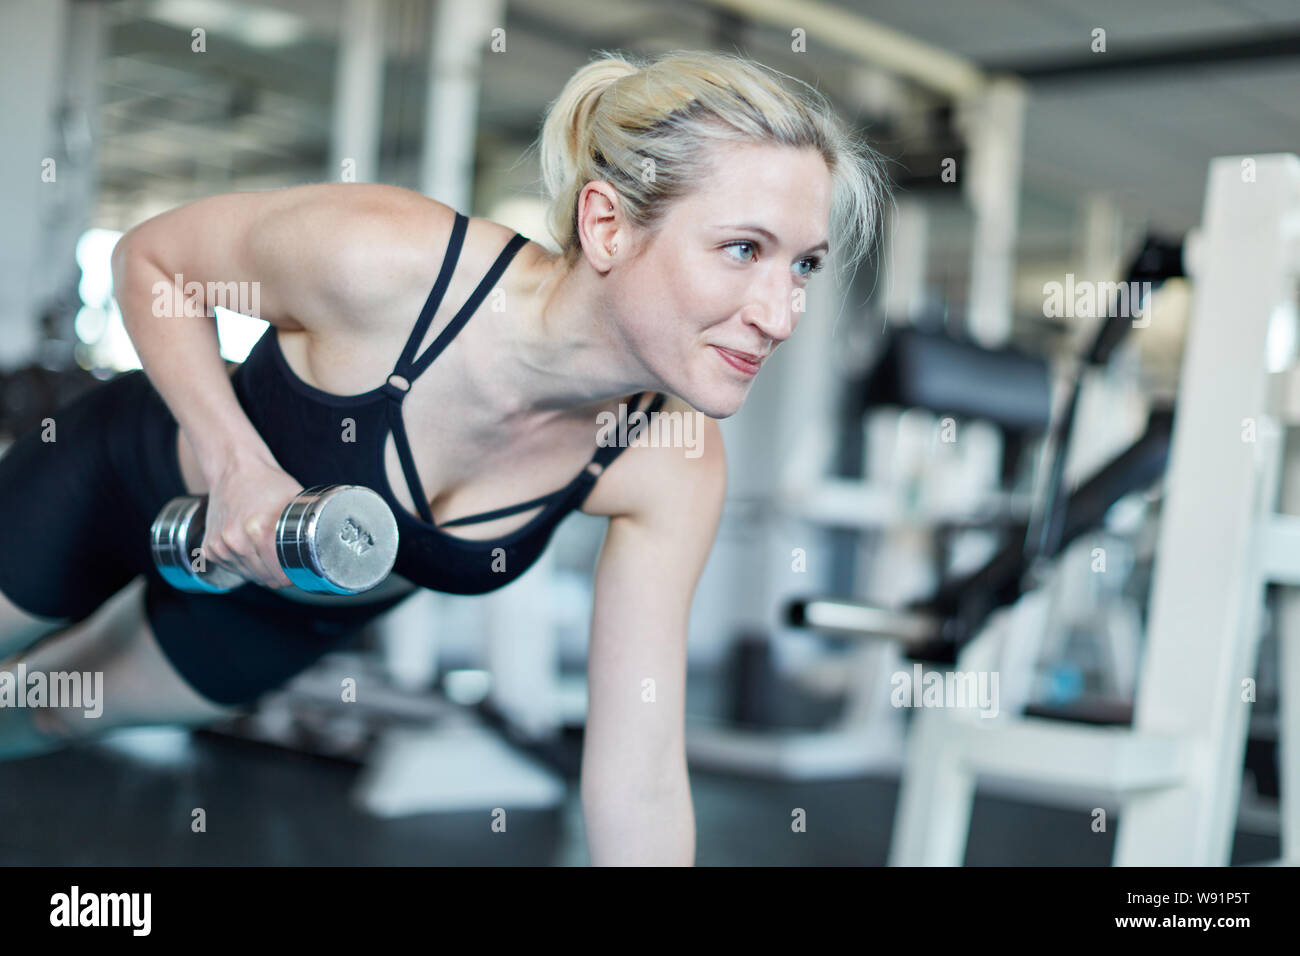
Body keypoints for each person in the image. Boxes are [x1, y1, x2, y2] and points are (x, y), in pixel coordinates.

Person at [0, 49, 885, 864]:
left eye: (804, 265)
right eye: (743, 249)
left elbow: (642, 774)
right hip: (118, 480)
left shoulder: (668, 461)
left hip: (279, 615)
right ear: (609, 225)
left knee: (44, 710)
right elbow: (152, 260)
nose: (781, 313)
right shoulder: (387, 260)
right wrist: (237, 465)